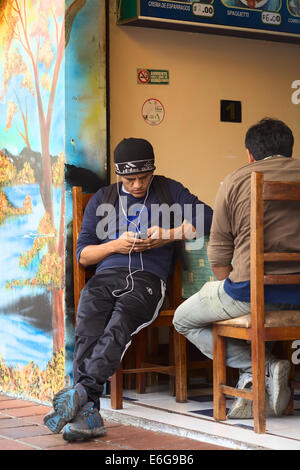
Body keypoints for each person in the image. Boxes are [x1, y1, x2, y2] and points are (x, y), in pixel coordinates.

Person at [44, 137, 213, 441]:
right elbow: (83, 255)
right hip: (107, 277)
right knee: (88, 323)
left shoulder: (168, 189)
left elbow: (210, 218)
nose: (137, 185)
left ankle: (82, 393)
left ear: (153, 171)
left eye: (143, 177)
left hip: (148, 281)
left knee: (119, 324)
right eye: (130, 178)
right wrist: (114, 245)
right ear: (119, 174)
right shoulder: (103, 199)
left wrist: (168, 235)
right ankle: (88, 409)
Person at [173, 117, 300, 419]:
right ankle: (266, 371)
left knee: (183, 319)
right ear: (290, 149)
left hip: (248, 290)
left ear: (249, 154)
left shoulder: (235, 180)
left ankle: (260, 367)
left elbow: (218, 255)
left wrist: (233, 294)